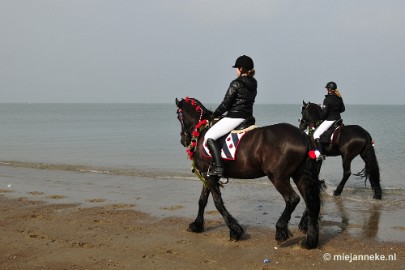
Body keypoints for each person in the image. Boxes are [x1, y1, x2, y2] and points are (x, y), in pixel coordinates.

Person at [204, 55, 257, 177]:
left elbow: (226, 104)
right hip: (248, 117)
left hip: (234, 117)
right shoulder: (254, 83)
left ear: (241, 69)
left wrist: (214, 115)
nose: (236, 70)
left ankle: (218, 167)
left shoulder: (236, 83)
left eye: (237, 68)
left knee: (209, 136)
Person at [313, 81, 345, 159]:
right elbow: (343, 109)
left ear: (329, 89)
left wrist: (319, 117)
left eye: (327, 88)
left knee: (315, 134)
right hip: (338, 119)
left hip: (330, 120)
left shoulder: (327, 99)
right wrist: (335, 111)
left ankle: (320, 154)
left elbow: (324, 114)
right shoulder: (339, 97)